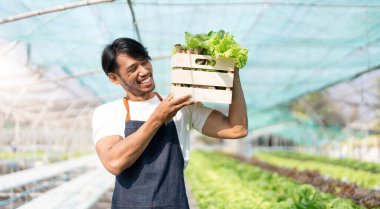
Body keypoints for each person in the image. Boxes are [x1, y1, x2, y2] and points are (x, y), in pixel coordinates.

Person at [92, 37, 248, 209]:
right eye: (133, 68)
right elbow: (114, 162)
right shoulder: (108, 112)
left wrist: (233, 76)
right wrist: (158, 117)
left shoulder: (182, 105)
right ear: (114, 78)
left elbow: (237, 129)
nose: (144, 71)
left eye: (145, 62)